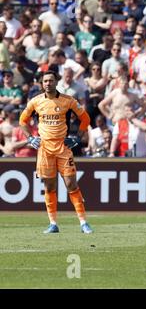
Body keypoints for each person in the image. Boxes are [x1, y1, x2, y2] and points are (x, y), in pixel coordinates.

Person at [18, 71, 93, 234]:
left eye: (51, 81)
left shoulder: (68, 101)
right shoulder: (36, 102)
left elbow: (85, 118)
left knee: (71, 184)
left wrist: (77, 138)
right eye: (45, 81)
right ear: (41, 83)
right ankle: (53, 223)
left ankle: (83, 222)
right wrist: (30, 138)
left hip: (63, 148)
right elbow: (22, 121)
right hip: (44, 149)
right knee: (49, 187)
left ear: (56, 82)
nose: (48, 83)